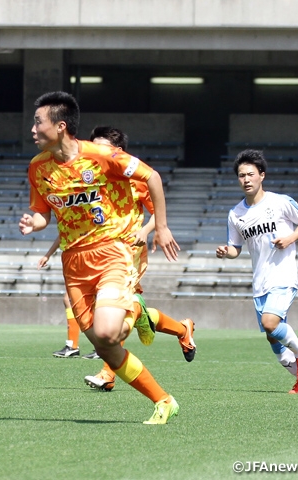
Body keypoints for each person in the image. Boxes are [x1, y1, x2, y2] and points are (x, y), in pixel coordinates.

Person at [19, 91, 181, 424]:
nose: (32, 129)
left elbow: (152, 177)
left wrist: (161, 227)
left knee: (107, 333)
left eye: (38, 122)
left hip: (112, 252)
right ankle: (164, 400)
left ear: (61, 126)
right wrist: (33, 223)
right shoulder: (37, 168)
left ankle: (137, 310)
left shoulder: (102, 155)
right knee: (106, 345)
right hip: (73, 263)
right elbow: (42, 213)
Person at [83, 126, 196, 392]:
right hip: (100, 254)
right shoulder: (90, 178)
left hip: (128, 253)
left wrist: (146, 231)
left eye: (102, 147)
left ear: (118, 151)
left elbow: (158, 212)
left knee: (119, 309)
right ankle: (183, 329)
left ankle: (107, 373)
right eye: (93, 146)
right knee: (122, 311)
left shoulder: (135, 178)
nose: (96, 152)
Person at [215, 149, 298, 394]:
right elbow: (236, 248)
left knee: (270, 324)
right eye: (241, 175)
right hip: (260, 282)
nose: (246, 179)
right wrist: (226, 252)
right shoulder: (235, 214)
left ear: (262, 175)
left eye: (250, 174)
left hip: (283, 276)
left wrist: (289, 238)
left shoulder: (280, 202)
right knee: (272, 336)